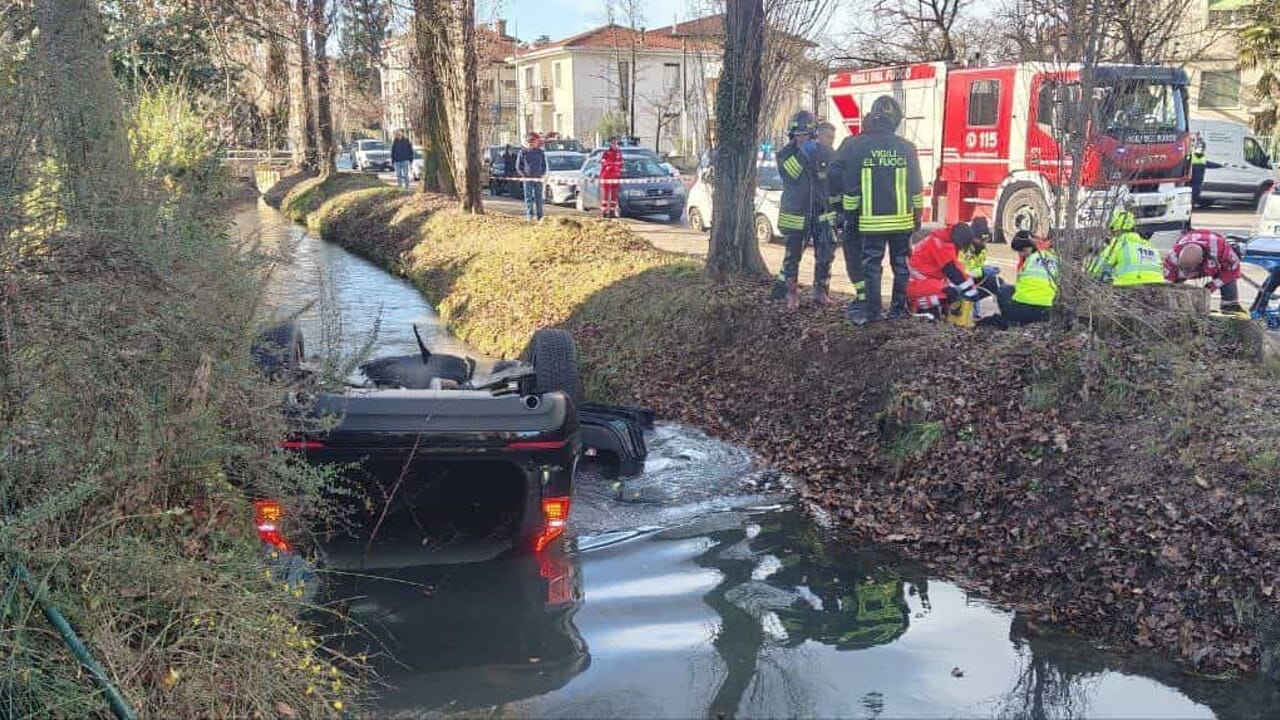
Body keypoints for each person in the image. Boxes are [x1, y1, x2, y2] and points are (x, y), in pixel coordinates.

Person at [839, 95, 924, 324]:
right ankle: (898, 311)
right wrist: (918, 216)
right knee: (901, 266)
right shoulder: (907, 148)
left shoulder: (857, 145)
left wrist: (849, 216)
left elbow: (851, 186)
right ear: (895, 120)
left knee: (872, 267)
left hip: (871, 221)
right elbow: (916, 187)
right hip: (902, 222)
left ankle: (873, 313)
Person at [773, 110, 822, 310]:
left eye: (805, 135)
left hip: (815, 213)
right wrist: (804, 154)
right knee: (793, 257)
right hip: (794, 215)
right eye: (798, 135)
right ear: (792, 136)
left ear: (812, 135)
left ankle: (819, 292)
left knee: (824, 253)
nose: (801, 138)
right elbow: (790, 174)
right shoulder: (785, 154)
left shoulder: (818, 152)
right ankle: (790, 294)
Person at [1163, 229, 1246, 315]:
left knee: (1228, 279)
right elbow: (1165, 283)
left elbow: (1233, 271)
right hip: (1185, 262)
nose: (1187, 274)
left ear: (1202, 260)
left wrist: (1211, 286)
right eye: (1184, 269)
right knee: (1170, 292)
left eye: (1190, 270)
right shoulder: (1171, 259)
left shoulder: (1220, 250)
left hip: (1215, 260)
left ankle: (1230, 306)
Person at [905, 222, 981, 317]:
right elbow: (952, 272)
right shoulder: (941, 244)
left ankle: (931, 305)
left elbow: (957, 270)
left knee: (953, 292)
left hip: (924, 280)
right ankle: (916, 304)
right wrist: (971, 293)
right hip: (916, 283)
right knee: (950, 293)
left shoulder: (945, 240)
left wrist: (970, 289)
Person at [1088, 209, 1165, 286]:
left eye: (1112, 232)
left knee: (1106, 269)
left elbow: (1097, 268)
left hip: (1129, 285)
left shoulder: (1118, 244)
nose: (1111, 235)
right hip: (1157, 286)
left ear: (1116, 229)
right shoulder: (1150, 246)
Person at [995, 231, 1057, 324]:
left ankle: (1010, 321)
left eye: (1022, 251)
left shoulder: (1030, 259)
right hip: (1047, 312)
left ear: (1031, 246)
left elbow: (1019, 284)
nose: (1021, 254)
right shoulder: (1054, 257)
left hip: (1023, 311)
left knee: (1003, 289)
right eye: (1019, 251)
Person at [811, 121, 840, 305]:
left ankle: (821, 291)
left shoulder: (834, 156)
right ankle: (817, 292)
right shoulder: (811, 154)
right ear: (819, 135)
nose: (831, 141)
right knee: (823, 252)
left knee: (826, 253)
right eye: (828, 137)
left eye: (832, 138)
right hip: (813, 210)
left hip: (827, 212)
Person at [516, 132, 547, 221]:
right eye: (536, 141)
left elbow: (544, 165)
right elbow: (518, 166)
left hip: (538, 178)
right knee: (528, 198)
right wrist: (524, 175)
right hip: (527, 179)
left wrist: (542, 173)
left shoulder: (540, 152)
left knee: (539, 198)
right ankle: (530, 216)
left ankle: (540, 216)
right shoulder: (523, 152)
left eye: (538, 141)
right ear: (531, 142)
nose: (538, 143)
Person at [600, 136, 624, 219]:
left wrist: (620, 173)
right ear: (610, 144)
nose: (615, 145)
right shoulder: (606, 153)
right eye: (614, 143)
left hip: (615, 177)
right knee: (605, 196)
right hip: (606, 176)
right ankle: (604, 212)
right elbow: (603, 163)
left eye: (617, 143)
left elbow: (621, 164)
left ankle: (612, 211)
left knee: (614, 195)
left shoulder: (619, 153)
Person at [1190, 134, 1207, 207]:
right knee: (1194, 191)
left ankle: (1194, 203)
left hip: (1197, 179)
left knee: (1196, 191)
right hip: (1194, 179)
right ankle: (1193, 203)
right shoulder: (1195, 156)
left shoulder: (1201, 157)